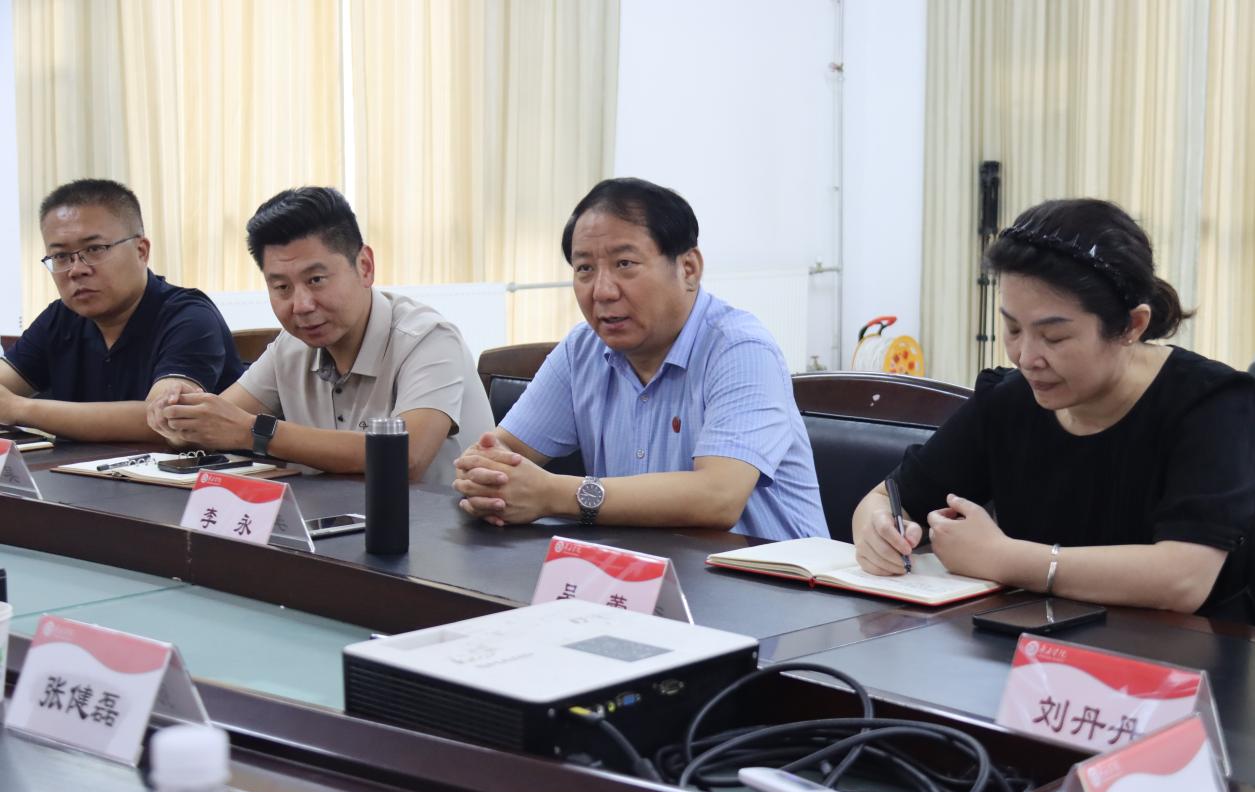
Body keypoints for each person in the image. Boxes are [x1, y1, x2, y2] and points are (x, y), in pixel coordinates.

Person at [852, 198, 1255, 622]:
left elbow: (1184, 578)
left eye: (1055, 338)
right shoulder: (1008, 400)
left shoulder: (1212, 406)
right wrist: (878, 531)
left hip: (1183, 655)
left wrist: (1004, 558)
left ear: (1131, 326)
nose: (1026, 358)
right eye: (1012, 329)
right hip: (1033, 650)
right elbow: (886, 499)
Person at [453, 177, 828, 540]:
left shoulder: (740, 349)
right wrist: (484, 474)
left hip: (773, 578)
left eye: (625, 264)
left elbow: (718, 497)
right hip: (645, 571)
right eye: (585, 269)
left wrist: (554, 494)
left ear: (688, 269)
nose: (602, 291)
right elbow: (501, 449)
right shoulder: (582, 349)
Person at [153, 187, 493, 483]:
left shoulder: (428, 339)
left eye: (316, 280)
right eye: (282, 287)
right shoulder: (290, 348)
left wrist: (254, 432)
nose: (301, 305)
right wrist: (177, 418)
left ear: (365, 267)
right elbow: (217, 421)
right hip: (331, 528)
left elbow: (405, 457)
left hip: (434, 531)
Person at [0, 179, 242, 440]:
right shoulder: (60, 318)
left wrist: (20, 409)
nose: (76, 269)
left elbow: (166, 420)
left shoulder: (190, 317)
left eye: (95, 249)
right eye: (60, 256)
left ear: (141, 251)